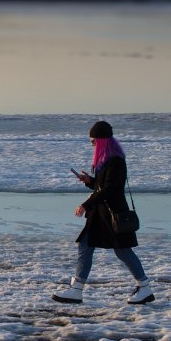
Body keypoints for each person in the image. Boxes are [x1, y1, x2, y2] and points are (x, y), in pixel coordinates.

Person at [52, 120, 155, 305]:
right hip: (101, 215)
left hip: (113, 214)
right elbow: (103, 187)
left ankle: (145, 287)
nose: (92, 144)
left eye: (94, 141)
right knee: (85, 245)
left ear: (102, 141)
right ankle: (76, 289)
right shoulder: (108, 160)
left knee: (123, 251)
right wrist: (89, 181)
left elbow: (108, 190)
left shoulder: (116, 161)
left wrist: (85, 205)